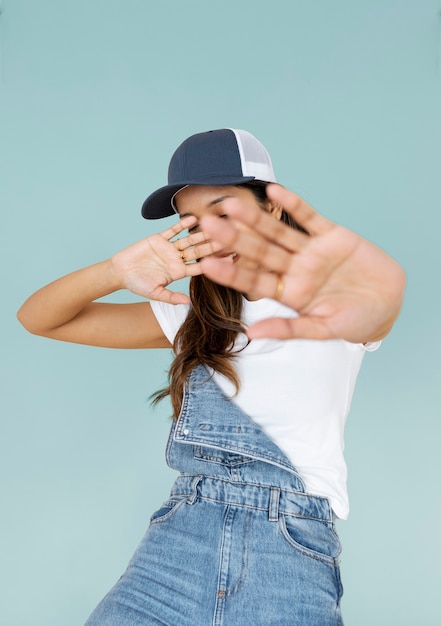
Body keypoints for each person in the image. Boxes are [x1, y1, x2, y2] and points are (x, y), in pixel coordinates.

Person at [17, 128, 405, 626]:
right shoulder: (193, 314)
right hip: (179, 538)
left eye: (226, 212)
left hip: (286, 546)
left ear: (272, 208)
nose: (212, 233)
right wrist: (116, 271)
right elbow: (40, 318)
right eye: (192, 221)